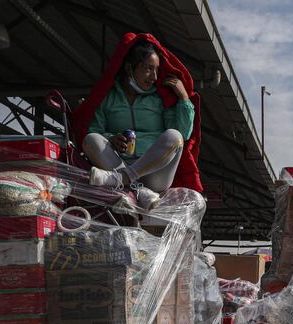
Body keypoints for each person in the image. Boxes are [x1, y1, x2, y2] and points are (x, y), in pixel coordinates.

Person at [72, 33, 203, 210]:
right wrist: (110, 138)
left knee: (175, 136)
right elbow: (93, 130)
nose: (154, 77)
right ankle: (139, 191)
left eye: (157, 70)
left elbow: (184, 133)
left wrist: (184, 99)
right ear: (129, 68)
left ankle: (125, 180)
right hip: (118, 163)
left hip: (155, 172)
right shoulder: (107, 98)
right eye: (148, 69)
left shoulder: (159, 99)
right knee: (91, 139)